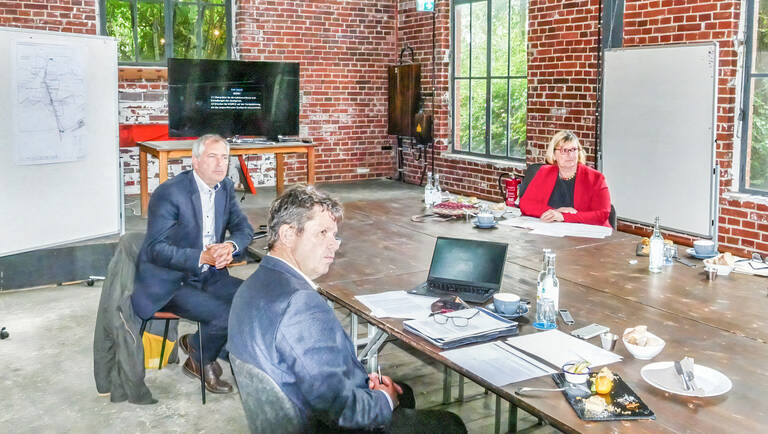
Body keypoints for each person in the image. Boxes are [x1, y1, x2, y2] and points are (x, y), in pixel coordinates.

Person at [228, 186, 466, 433]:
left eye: (335, 235)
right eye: (322, 233)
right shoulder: (300, 303)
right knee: (450, 424)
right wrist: (383, 400)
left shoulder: (254, 284)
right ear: (288, 234)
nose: (334, 245)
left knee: (404, 393)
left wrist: (373, 390)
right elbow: (340, 410)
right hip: (321, 424)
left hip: (291, 408)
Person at [132, 134, 254, 394]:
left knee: (251, 299)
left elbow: (244, 229)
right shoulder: (170, 193)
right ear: (195, 161)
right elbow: (156, 250)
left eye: (224, 158)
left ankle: (198, 346)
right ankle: (200, 360)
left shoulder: (226, 189)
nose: (220, 164)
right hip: (170, 280)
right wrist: (202, 256)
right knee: (223, 314)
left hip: (210, 274)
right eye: (212, 157)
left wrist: (229, 247)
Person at [519, 130, 612, 227]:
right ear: (554, 154)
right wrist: (554, 212)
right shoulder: (544, 172)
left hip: (589, 234)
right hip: (553, 231)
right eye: (564, 150)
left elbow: (602, 214)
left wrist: (563, 217)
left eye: (573, 150)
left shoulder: (596, 178)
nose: (570, 155)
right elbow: (525, 204)